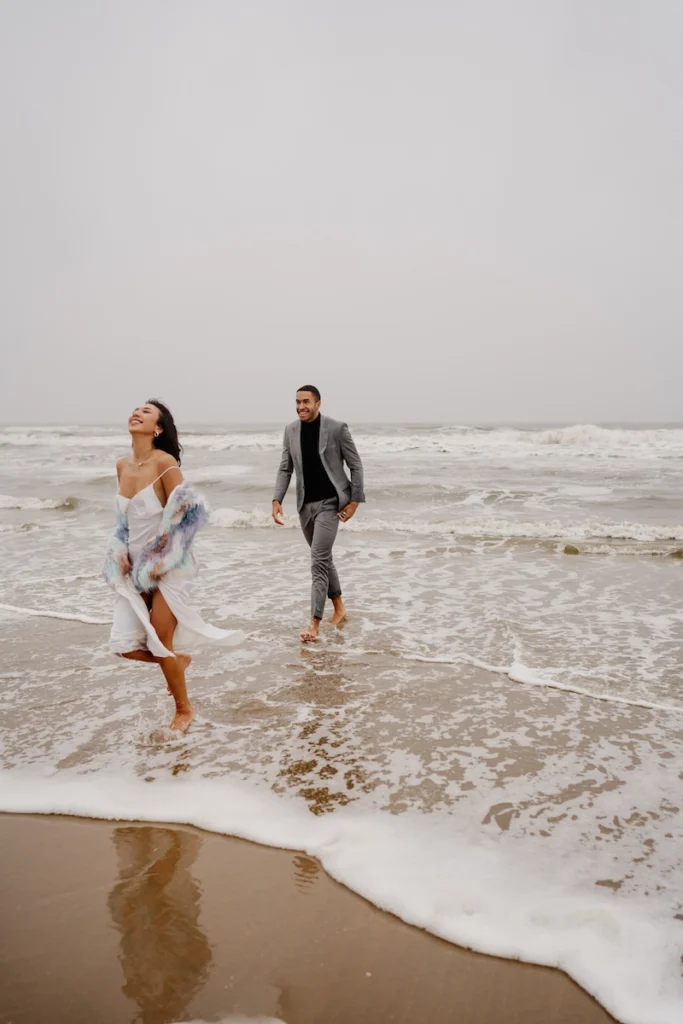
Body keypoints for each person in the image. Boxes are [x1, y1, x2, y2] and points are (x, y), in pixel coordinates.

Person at [103, 400, 241, 732]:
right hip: (134, 569)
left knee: (159, 639)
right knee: (123, 647)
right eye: (135, 409)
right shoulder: (122, 465)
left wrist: (160, 560)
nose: (137, 413)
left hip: (171, 566)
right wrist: (118, 554)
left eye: (146, 412)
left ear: (159, 428)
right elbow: (123, 522)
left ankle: (184, 710)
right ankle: (178, 662)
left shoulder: (166, 464)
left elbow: (190, 517)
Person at [272, 385, 365, 641]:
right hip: (305, 506)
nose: (301, 406)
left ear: (318, 403)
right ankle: (340, 608)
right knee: (323, 558)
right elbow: (285, 468)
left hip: (330, 504)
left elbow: (356, 466)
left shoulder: (336, 428)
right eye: (297, 402)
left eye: (306, 402)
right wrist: (276, 498)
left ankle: (314, 622)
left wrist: (355, 501)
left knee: (317, 561)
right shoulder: (291, 430)